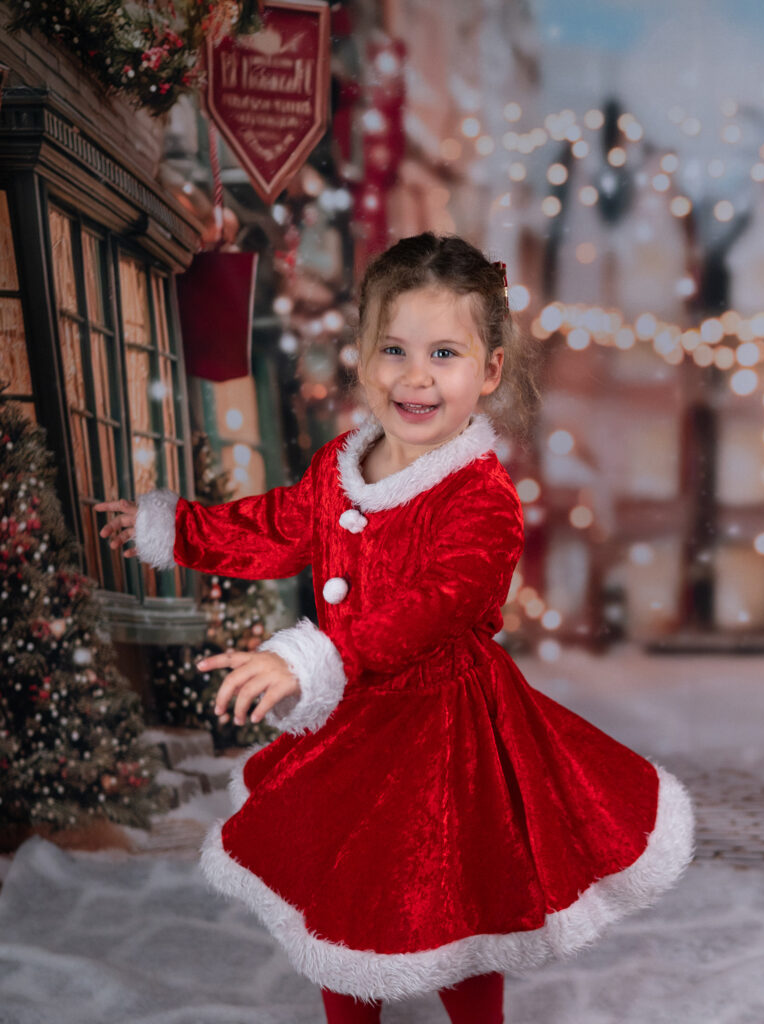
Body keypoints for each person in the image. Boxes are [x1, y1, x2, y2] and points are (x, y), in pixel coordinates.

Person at [95, 232, 694, 1024]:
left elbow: (433, 606)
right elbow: (273, 525)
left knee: (454, 899)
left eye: (444, 353)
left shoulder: (482, 498)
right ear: (364, 357)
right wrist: (173, 529)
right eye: (394, 349)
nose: (416, 376)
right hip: (351, 725)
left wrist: (312, 656)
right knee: (343, 892)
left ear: (489, 371)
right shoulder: (340, 465)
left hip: (444, 732)